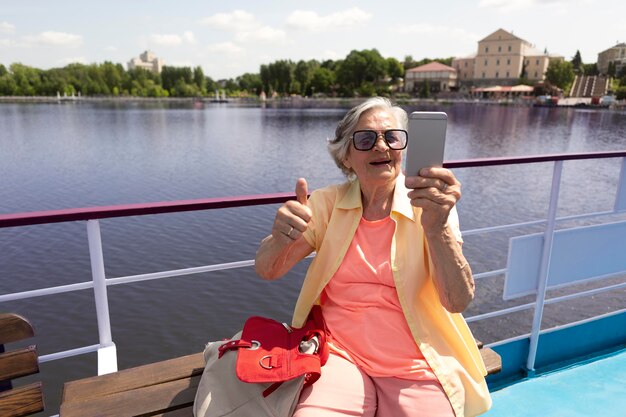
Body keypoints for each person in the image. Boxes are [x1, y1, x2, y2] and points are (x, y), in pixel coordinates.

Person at [255, 97, 491, 417]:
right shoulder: (326, 204)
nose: (381, 146)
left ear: (402, 148)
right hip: (341, 356)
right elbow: (268, 270)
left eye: (392, 137)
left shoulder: (432, 206)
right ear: (347, 158)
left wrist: (438, 231)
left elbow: (457, 301)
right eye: (366, 139)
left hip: (415, 364)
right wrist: (280, 237)